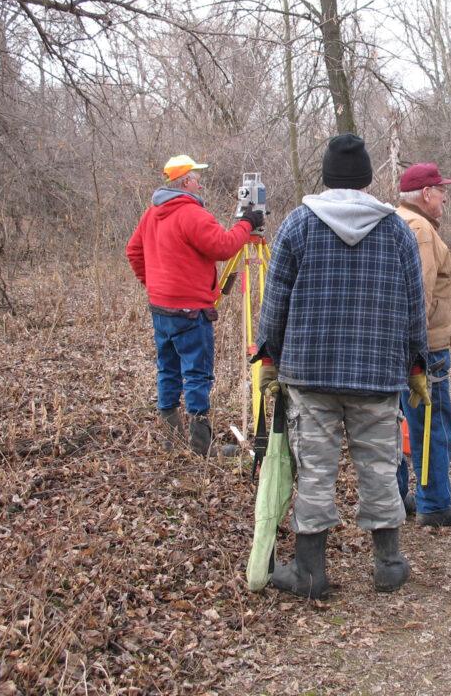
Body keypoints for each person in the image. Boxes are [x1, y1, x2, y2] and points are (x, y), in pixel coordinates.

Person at [255, 133, 428, 599]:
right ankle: (388, 565)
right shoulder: (396, 231)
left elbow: (276, 301)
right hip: (377, 373)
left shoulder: (297, 225)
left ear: (327, 175)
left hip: (310, 372)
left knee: (314, 471)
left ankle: (310, 572)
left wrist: (269, 356)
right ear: (368, 177)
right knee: (379, 466)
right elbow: (416, 306)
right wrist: (417, 365)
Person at [126, 154, 263, 456]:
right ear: (186, 181)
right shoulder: (191, 213)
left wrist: (153, 286)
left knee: (168, 368)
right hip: (189, 309)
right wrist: (247, 223)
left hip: (161, 307)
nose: (200, 183)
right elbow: (224, 246)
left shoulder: (153, 213)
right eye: (197, 178)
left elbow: (133, 250)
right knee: (197, 373)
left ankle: (171, 438)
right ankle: (201, 445)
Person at [395, 163, 451, 527]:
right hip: (423, 347)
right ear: (426, 194)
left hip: (399, 345)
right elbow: (419, 296)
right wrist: (417, 350)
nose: (445, 198)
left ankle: (398, 498)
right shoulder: (422, 231)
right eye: (441, 191)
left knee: (395, 424)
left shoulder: (394, 220)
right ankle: (436, 502)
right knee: (432, 423)